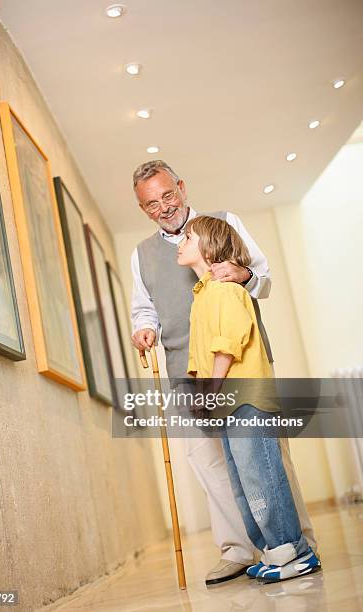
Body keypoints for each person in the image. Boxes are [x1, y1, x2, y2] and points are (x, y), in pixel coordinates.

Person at [131, 159, 316, 585]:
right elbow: (144, 308)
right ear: (143, 209)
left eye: (168, 196)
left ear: (181, 186)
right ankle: (240, 549)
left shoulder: (222, 224)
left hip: (239, 372)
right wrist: (144, 329)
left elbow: (262, 281)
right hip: (188, 374)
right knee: (220, 466)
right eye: (151, 204)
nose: (163, 207)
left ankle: (296, 541)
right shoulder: (142, 254)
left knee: (265, 458)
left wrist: (243, 273)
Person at [177, 215, 321, 582]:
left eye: (189, 237)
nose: (181, 241)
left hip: (246, 401)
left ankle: (297, 552)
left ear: (209, 248)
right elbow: (200, 355)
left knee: (263, 478)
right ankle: (273, 552)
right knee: (243, 485)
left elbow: (226, 346)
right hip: (227, 404)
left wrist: (210, 390)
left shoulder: (226, 291)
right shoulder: (201, 297)